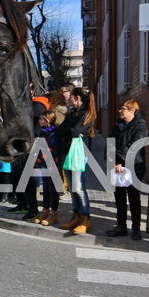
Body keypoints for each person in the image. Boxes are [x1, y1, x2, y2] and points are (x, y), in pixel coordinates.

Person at [105, 99, 147, 240]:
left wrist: (121, 162)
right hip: (118, 166)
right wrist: (115, 161)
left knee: (134, 198)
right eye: (120, 108)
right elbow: (110, 143)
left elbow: (133, 146)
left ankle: (136, 229)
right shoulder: (118, 125)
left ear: (132, 110)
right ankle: (121, 226)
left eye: (123, 108)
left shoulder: (140, 126)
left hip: (134, 166)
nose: (120, 111)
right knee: (120, 198)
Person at [57, 87, 96, 234]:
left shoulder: (87, 114)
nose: (69, 99)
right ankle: (76, 215)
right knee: (72, 188)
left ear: (78, 98)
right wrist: (69, 131)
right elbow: (60, 129)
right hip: (67, 151)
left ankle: (85, 219)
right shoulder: (72, 113)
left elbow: (73, 131)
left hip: (79, 153)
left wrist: (68, 131)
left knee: (79, 188)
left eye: (71, 96)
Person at [34, 111, 60, 226]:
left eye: (41, 119)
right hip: (44, 163)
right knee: (45, 187)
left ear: (47, 121)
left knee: (53, 189)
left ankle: (53, 213)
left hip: (53, 164)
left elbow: (54, 149)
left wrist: (41, 158)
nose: (39, 121)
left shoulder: (55, 133)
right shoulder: (42, 132)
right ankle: (45, 210)